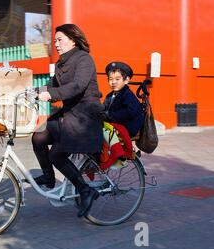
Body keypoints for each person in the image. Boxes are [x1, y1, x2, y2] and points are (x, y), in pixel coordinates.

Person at [32, 24, 104, 218]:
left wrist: (51, 95)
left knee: (56, 154)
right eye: (54, 40)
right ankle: (48, 177)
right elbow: (51, 84)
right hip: (69, 113)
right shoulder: (60, 63)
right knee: (38, 136)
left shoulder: (84, 59)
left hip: (84, 117)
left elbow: (78, 86)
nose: (56, 44)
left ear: (72, 40)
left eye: (59, 39)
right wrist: (35, 91)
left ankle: (85, 189)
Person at [101, 62, 144, 138]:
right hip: (115, 123)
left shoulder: (127, 95)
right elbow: (104, 108)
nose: (113, 82)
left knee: (105, 133)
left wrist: (110, 116)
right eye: (111, 79)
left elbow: (130, 112)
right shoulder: (110, 95)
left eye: (117, 79)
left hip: (127, 126)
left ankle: (117, 150)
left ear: (126, 80)